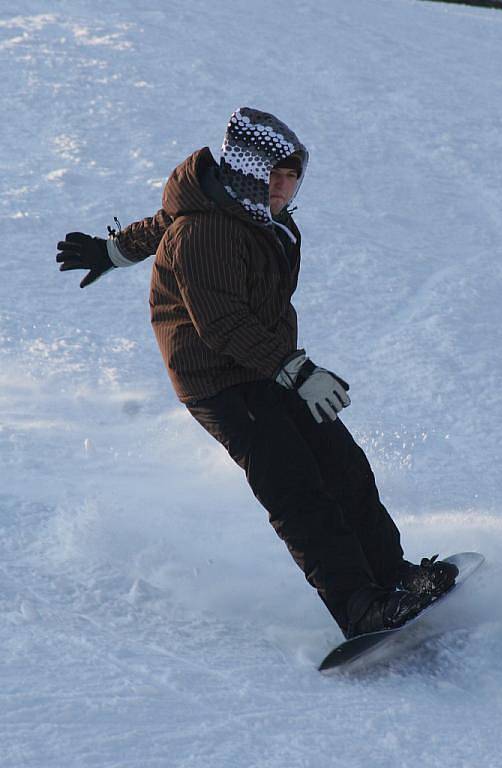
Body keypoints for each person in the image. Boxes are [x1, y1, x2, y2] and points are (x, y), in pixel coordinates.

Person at [57, 107, 457, 638]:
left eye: (293, 178)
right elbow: (221, 325)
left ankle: (394, 577)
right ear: (247, 170)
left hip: (269, 363)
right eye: (275, 175)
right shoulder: (206, 231)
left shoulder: (245, 212)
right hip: (219, 378)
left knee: (344, 466)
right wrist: (296, 370)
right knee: (295, 487)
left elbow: (162, 222)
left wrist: (113, 249)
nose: (285, 188)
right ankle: (359, 607)